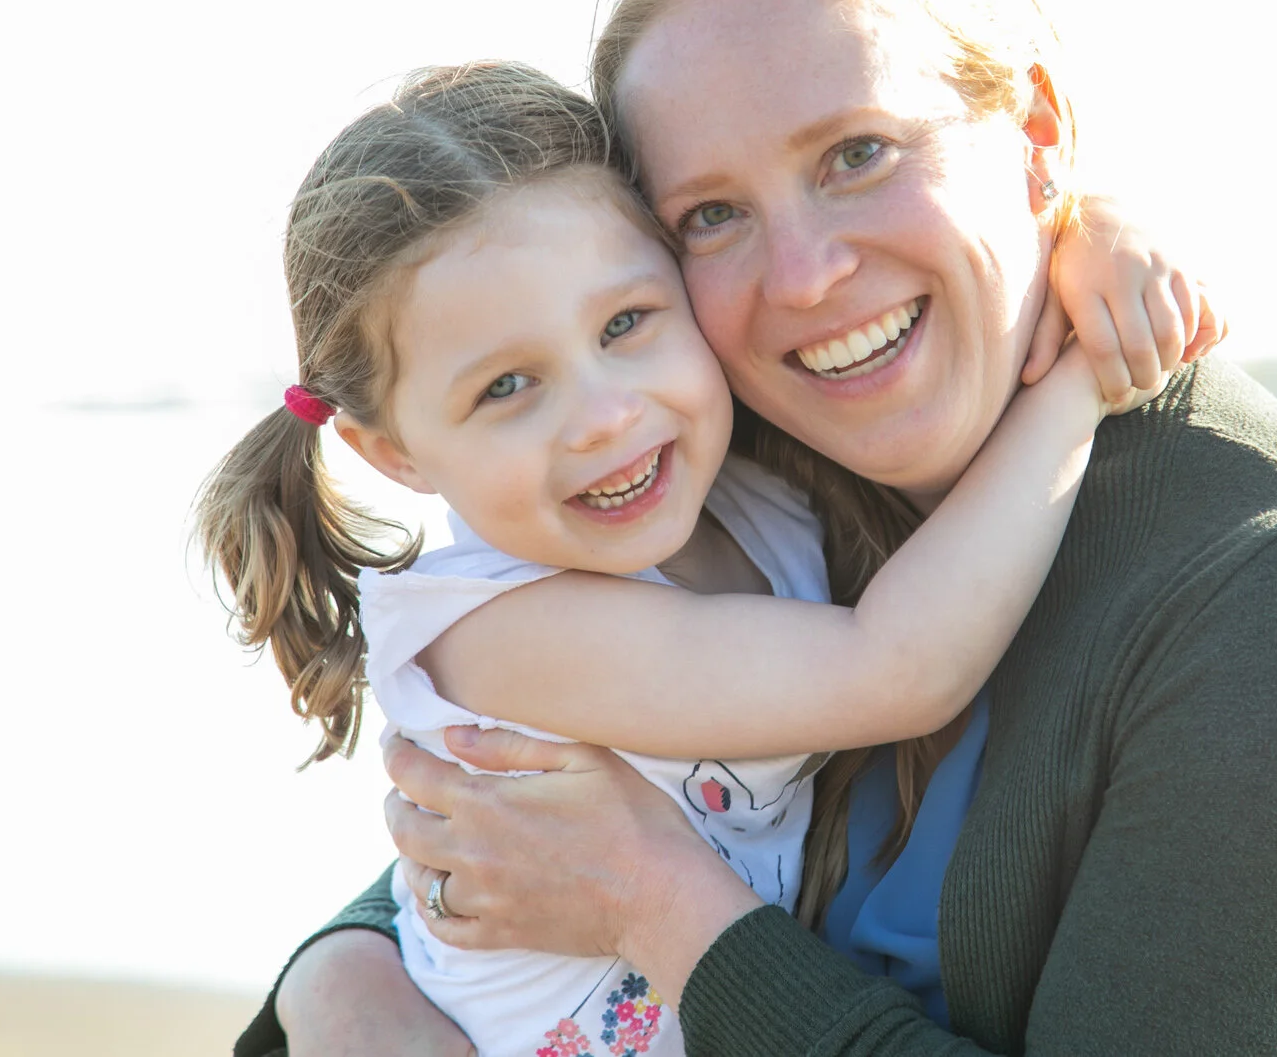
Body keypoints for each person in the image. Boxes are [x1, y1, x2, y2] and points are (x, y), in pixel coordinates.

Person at [247, 0, 1277, 1057]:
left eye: (857, 154)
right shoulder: (797, 478)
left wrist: (662, 911)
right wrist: (345, 975)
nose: (802, 276)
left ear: (1037, 136)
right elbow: (540, 809)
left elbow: (631, 846)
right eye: (712, 215)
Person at [201, 61, 1221, 1057]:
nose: (605, 415)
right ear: (395, 453)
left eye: (627, 322)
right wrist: (1088, 371)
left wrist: (1081, 229)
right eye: (507, 387)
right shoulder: (496, 629)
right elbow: (900, 668)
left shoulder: (750, 488)